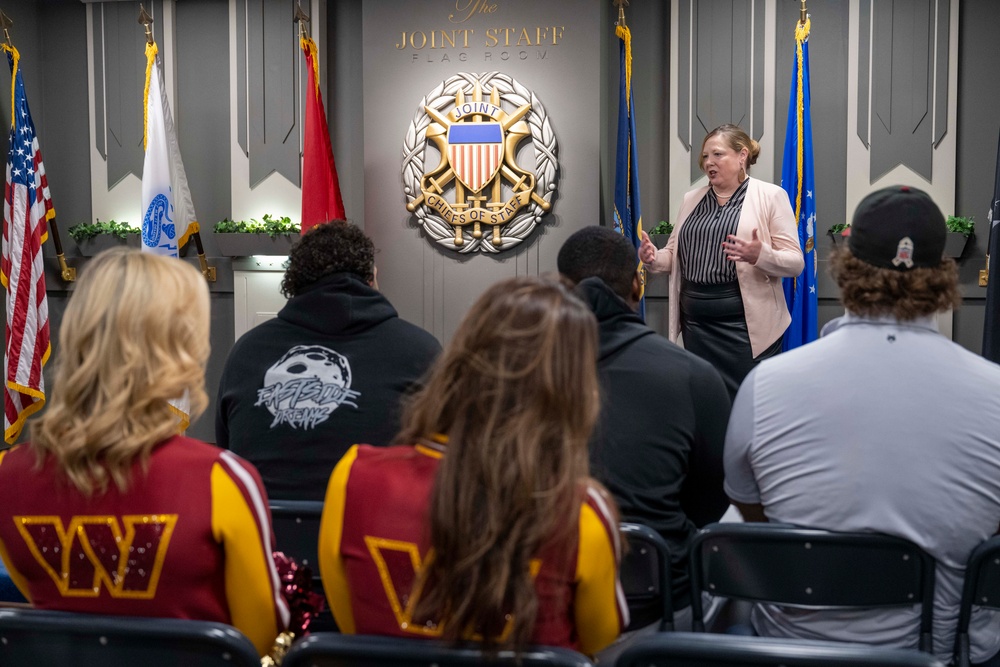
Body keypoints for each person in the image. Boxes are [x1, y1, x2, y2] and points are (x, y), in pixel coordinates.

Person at [723, 185, 1000, 665]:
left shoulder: (766, 385)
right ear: (943, 276)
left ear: (845, 266)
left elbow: (754, 514)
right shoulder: (994, 393)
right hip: (944, 654)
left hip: (792, 651)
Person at [317, 276, 627, 655]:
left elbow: (355, 633)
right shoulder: (582, 513)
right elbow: (600, 645)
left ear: (461, 359)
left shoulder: (354, 477)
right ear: (574, 390)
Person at [0, 248, 288, 657]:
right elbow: (258, 636)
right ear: (177, 348)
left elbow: (44, 601)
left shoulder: (7, 474)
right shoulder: (220, 478)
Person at [557, 225, 731, 628]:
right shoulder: (694, 376)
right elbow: (714, 501)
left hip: (541, 601)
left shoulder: (513, 371)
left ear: (561, 290)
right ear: (638, 287)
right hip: (660, 604)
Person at [216, 220, 441, 501]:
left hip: (264, 539)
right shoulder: (421, 353)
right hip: (377, 539)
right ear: (372, 278)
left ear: (293, 282)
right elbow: (441, 464)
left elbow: (229, 457)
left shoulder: (246, 353)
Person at [638, 124, 804, 397]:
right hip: (697, 327)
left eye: (717, 154)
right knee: (706, 404)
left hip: (746, 329)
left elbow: (795, 263)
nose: (708, 163)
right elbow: (673, 256)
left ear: (742, 156)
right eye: (705, 156)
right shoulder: (691, 199)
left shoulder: (771, 196)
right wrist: (653, 259)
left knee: (748, 405)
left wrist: (760, 255)